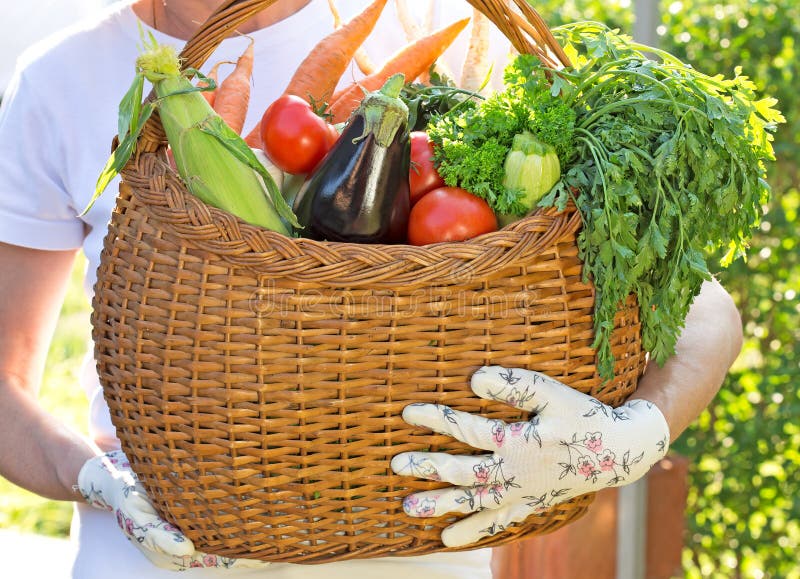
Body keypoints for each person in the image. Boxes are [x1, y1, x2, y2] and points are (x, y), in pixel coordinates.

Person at [0, 0, 744, 577]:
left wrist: (627, 437)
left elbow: (704, 308)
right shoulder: (61, 81)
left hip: (417, 553)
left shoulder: (432, 32)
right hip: (157, 558)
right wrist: (93, 479)